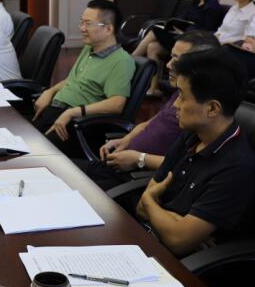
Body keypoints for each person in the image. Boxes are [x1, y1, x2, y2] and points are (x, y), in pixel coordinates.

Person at [135, 49, 255, 255]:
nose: (175, 105)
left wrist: (151, 201)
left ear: (212, 109)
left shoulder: (237, 167)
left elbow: (177, 241)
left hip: (180, 265)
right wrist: (170, 221)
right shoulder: (191, 136)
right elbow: (141, 208)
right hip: (150, 240)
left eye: (182, 97)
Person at [83, 30, 221, 190]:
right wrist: (125, 140)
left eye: (177, 59)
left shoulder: (202, 109)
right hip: (119, 164)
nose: (168, 64)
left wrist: (139, 159)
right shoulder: (181, 91)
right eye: (171, 56)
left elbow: (187, 165)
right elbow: (152, 122)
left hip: (134, 180)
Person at [32, 0, 136, 156]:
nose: (82, 28)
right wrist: (50, 92)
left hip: (77, 123)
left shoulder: (121, 61)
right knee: (16, 137)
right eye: (82, 22)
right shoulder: (89, 49)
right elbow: (73, 81)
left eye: (88, 24)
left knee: (31, 151)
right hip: (55, 111)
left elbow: (116, 104)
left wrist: (73, 112)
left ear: (108, 29)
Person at [133, 0, 222, 93]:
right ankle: (154, 88)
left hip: (193, 42)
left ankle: (131, 60)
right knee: (152, 47)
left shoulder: (212, 6)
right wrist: (175, 25)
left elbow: (207, 30)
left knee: (154, 30)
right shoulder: (196, 1)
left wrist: (185, 32)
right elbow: (181, 18)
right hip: (181, 36)